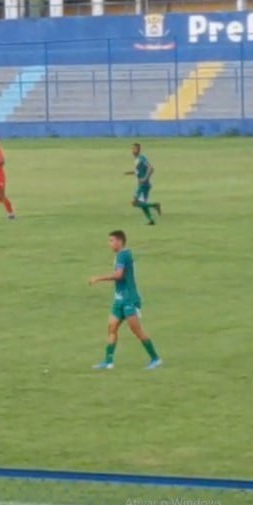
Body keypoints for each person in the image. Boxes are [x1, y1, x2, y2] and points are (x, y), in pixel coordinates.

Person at [88, 230, 161, 370]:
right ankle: (108, 362)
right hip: (119, 299)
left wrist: (98, 278)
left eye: (111, 240)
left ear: (119, 242)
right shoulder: (121, 255)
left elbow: (119, 275)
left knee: (137, 330)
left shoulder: (123, 255)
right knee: (112, 328)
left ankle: (155, 359)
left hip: (129, 299)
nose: (109, 244)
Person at [126, 143, 162, 225]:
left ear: (139, 150)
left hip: (144, 185)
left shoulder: (141, 158)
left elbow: (151, 168)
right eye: (132, 149)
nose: (132, 151)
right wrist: (131, 172)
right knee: (142, 203)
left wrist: (145, 178)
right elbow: (139, 171)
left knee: (134, 202)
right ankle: (151, 220)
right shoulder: (137, 159)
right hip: (142, 184)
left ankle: (155, 205)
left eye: (134, 149)